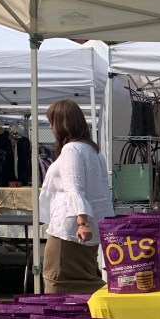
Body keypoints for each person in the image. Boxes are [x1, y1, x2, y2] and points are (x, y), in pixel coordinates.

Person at [39, 99, 114, 294]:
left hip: (70, 228)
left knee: (56, 279)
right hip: (86, 226)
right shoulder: (92, 150)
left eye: (52, 122)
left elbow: (74, 188)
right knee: (84, 277)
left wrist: (82, 223)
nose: (50, 126)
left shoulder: (71, 149)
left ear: (62, 123)